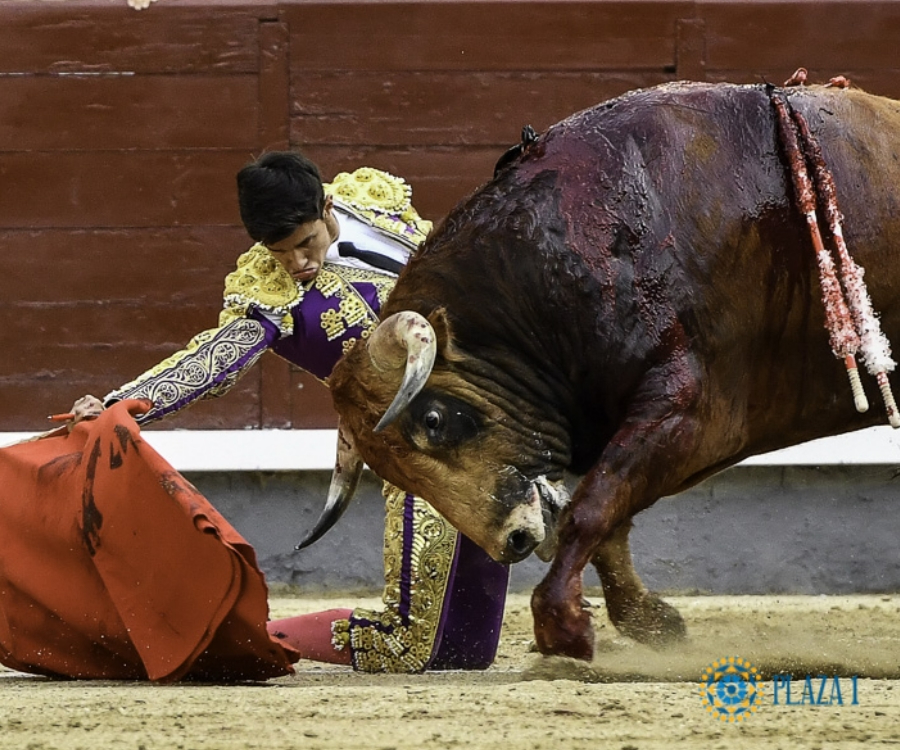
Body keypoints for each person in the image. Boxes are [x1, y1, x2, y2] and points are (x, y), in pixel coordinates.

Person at [7, 152, 509, 678]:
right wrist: (119, 403)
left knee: (468, 650)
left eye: (305, 244)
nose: (296, 263)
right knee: (409, 648)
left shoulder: (373, 199)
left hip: (496, 424)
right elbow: (212, 361)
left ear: (328, 206)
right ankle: (252, 636)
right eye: (279, 251)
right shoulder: (266, 296)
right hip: (421, 454)